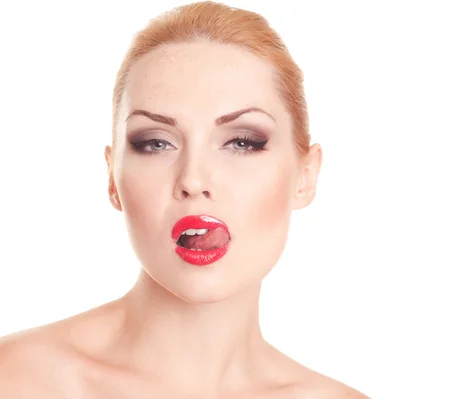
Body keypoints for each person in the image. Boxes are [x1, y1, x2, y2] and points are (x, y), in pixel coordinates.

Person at [0, 1, 369, 397]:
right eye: (156, 143)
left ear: (305, 176)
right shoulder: (20, 378)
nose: (193, 180)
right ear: (112, 177)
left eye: (241, 143)